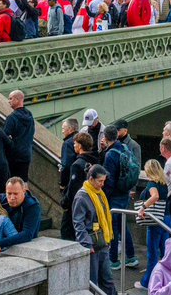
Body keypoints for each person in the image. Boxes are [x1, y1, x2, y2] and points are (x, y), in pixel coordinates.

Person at [73, 164, 116, 295]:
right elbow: (78, 223)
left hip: (102, 241)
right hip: (92, 244)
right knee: (92, 281)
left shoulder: (99, 193)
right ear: (91, 179)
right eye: (100, 181)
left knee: (107, 279)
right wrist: (87, 244)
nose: (102, 184)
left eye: (104, 181)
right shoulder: (82, 197)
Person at [101, 125, 139, 271]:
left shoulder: (110, 155)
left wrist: (104, 197)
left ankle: (113, 260)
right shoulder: (124, 147)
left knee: (113, 228)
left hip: (115, 195)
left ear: (105, 137)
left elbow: (109, 180)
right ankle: (131, 257)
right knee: (124, 226)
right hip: (125, 192)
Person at [0, 177, 42, 258]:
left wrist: (0, 244)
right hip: (3, 237)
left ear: (24, 192)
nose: (12, 197)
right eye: (9, 193)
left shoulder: (32, 206)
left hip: (22, 242)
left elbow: (27, 234)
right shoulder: (2, 199)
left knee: (0, 219)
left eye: (16, 194)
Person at [137, 159, 171, 290]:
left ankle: (147, 282)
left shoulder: (152, 184)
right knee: (164, 252)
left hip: (156, 220)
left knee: (153, 253)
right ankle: (164, 279)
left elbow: (155, 196)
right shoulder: (164, 183)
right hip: (166, 217)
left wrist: (143, 207)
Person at [61, 131, 99, 241]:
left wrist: (65, 202)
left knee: (68, 234)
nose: (73, 146)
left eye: (75, 144)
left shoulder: (77, 165)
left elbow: (73, 189)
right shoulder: (95, 161)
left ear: (80, 145)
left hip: (77, 205)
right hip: (92, 202)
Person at [2, 89, 35, 181]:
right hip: (27, 153)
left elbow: (4, 136)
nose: (9, 101)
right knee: (23, 180)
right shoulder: (29, 115)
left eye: (10, 98)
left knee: (13, 181)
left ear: (17, 100)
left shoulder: (12, 118)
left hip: (14, 155)